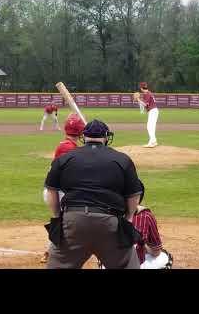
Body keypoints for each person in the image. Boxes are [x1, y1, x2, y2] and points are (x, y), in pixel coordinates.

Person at [44, 119, 143, 269]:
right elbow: (134, 194)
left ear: (84, 136)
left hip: (73, 221)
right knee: (127, 264)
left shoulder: (65, 158)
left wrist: (58, 216)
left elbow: (51, 190)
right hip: (110, 223)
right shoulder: (122, 159)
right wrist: (128, 219)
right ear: (106, 137)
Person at [40, 113, 86, 264]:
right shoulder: (68, 148)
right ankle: (52, 251)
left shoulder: (67, 145)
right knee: (65, 221)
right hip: (57, 192)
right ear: (80, 132)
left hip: (56, 190)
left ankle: (51, 249)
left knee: (64, 220)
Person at [136, 82, 159, 148]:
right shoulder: (148, 93)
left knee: (149, 127)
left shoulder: (147, 94)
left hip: (153, 111)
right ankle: (154, 141)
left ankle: (152, 142)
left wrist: (138, 99)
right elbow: (144, 104)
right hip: (153, 111)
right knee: (152, 127)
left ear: (141, 88)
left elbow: (145, 104)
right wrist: (139, 100)